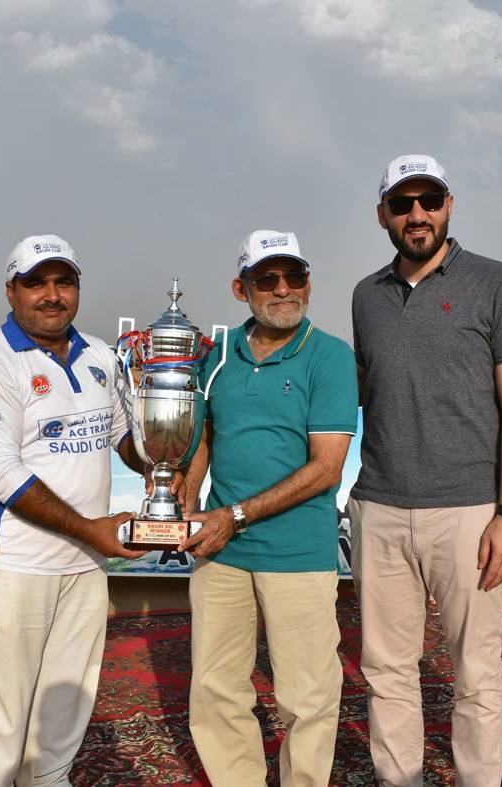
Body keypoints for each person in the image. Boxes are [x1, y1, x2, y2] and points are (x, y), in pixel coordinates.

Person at [350, 155, 502, 786]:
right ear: (384, 215)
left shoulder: (494, 281)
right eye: (402, 204)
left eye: (429, 200)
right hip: (378, 508)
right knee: (386, 671)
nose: (417, 214)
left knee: (478, 673)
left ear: (449, 205)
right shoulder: (366, 296)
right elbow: (368, 392)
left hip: (467, 512)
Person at [0, 234, 148, 786]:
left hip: (85, 565)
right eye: (36, 283)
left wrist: (168, 452)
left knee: (64, 717)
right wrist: (91, 530)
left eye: (63, 282)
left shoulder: (99, 357)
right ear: (11, 292)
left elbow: (122, 440)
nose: (51, 295)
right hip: (13, 564)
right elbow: (0, 474)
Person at [180, 230, 358, 786]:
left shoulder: (329, 356)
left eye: (294, 276)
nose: (284, 289)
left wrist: (233, 517)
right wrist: (180, 498)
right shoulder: (215, 356)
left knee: (307, 696)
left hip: (297, 552)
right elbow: (202, 437)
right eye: (267, 278)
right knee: (215, 688)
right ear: (242, 288)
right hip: (221, 554)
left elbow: (327, 467)